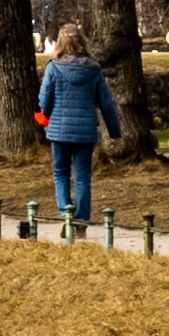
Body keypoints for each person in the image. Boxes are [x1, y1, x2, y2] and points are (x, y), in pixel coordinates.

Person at [35, 33, 114, 224]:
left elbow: (44, 100)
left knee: (61, 171)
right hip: (85, 131)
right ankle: (81, 219)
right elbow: (106, 103)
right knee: (83, 175)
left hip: (59, 131)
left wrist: (43, 116)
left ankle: (65, 211)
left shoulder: (53, 67)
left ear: (60, 44)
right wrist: (114, 130)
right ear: (82, 42)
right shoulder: (94, 70)